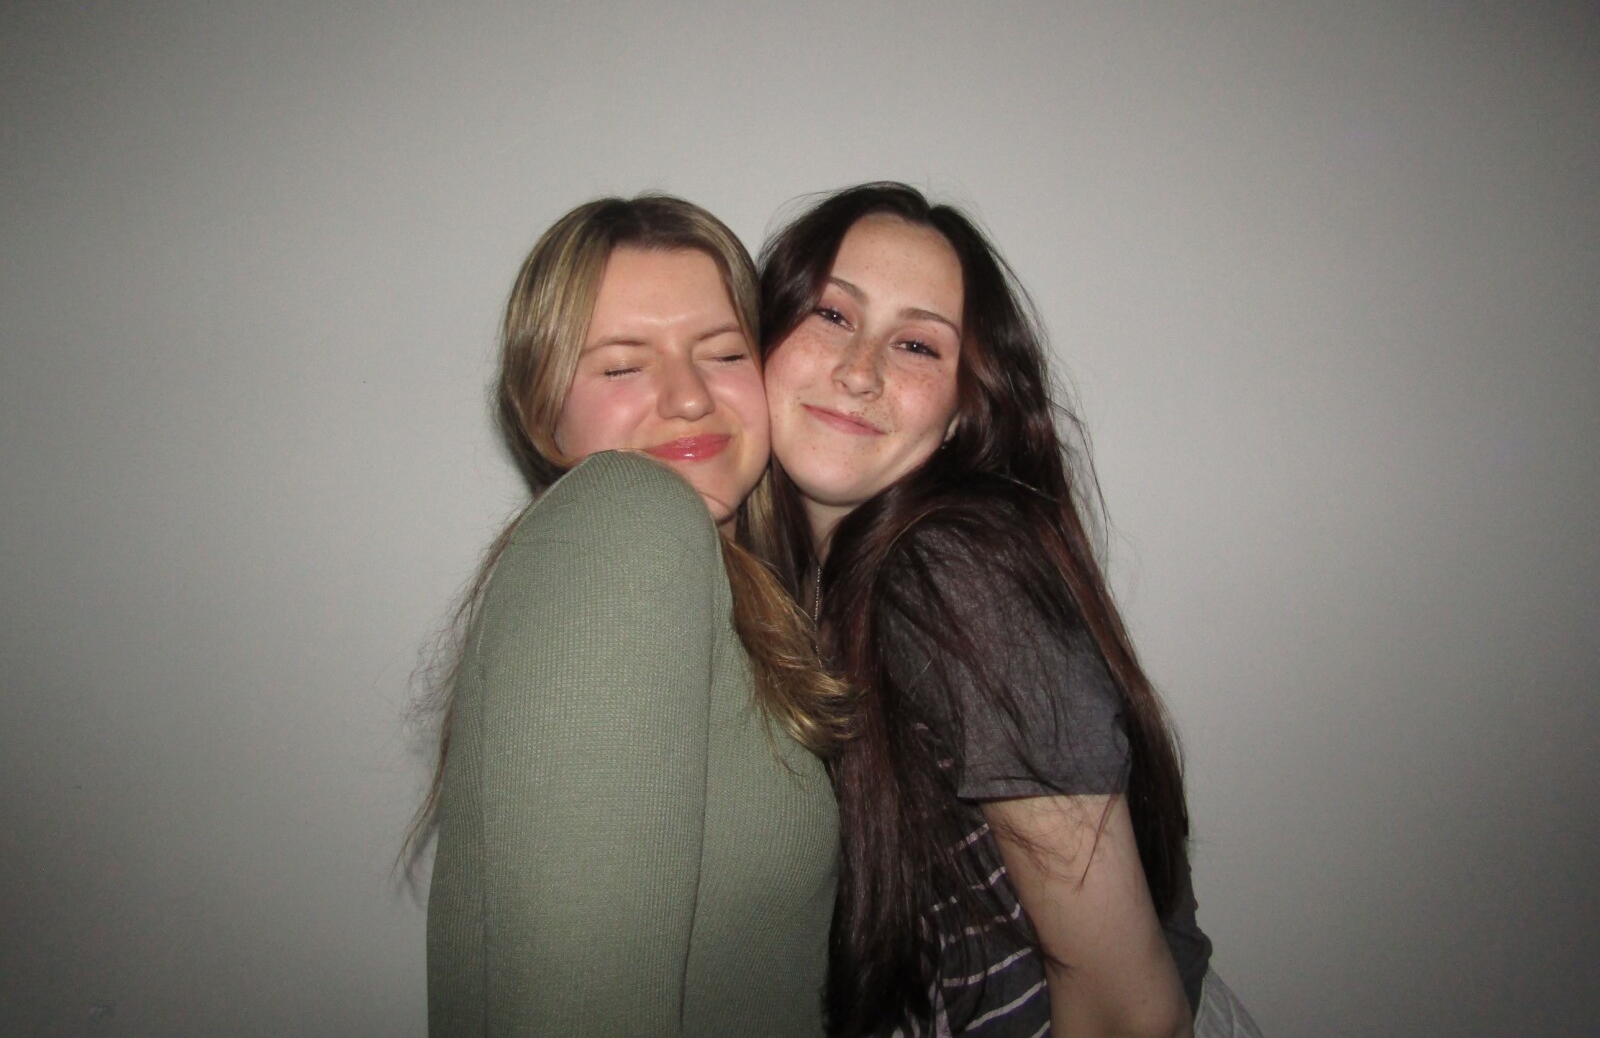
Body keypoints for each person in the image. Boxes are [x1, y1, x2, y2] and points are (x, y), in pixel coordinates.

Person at [759, 183, 1261, 1038]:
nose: (860, 371)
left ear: (963, 410)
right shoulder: (808, 594)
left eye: (917, 345)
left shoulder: (948, 572)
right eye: (833, 315)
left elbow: (1129, 1013)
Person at [413, 195, 849, 1036]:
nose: (688, 398)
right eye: (621, 367)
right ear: (541, 410)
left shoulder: (736, 596)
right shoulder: (627, 522)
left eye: (724, 353)